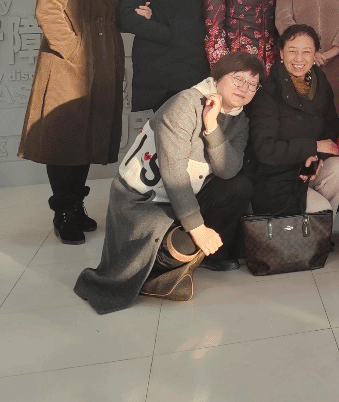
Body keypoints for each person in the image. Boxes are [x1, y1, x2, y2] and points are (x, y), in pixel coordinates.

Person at [74, 51, 262, 314]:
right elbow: (173, 172)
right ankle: (169, 265)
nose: (244, 88)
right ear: (218, 77)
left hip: (187, 195)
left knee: (239, 186)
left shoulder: (240, 120)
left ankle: (209, 256)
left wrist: (212, 128)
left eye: (252, 84)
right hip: (144, 199)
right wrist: (197, 228)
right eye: (238, 79)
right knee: (185, 244)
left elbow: (228, 170)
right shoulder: (185, 104)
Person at [19, 0, 128, 246]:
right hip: (69, 64)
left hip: (105, 60)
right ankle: (63, 212)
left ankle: (76, 204)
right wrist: (75, 50)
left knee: (89, 137)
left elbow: (123, 13)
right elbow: (47, 11)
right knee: (64, 138)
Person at [246, 24, 339, 220]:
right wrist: (311, 146)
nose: (299, 58)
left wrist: (315, 158)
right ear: (281, 53)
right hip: (276, 177)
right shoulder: (268, 93)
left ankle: (316, 228)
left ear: (314, 55)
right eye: (292, 51)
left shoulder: (320, 84)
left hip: (308, 168)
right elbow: (265, 149)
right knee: (322, 211)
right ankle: (313, 226)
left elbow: (329, 133)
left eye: (306, 52)